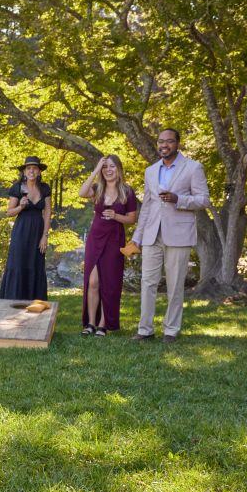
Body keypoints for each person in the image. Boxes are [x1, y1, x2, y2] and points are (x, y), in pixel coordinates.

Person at [131, 128, 209, 343]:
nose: (164, 145)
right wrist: (137, 236)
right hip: (151, 234)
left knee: (175, 285)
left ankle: (171, 330)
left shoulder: (193, 168)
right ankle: (145, 330)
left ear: (178, 144)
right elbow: (147, 206)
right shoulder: (150, 170)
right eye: (161, 141)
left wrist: (179, 199)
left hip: (179, 234)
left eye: (169, 141)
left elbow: (203, 200)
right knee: (147, 282)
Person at [77, 154, 138, 335]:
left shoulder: (127, 191)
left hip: (114, 239)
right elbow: (81, 193)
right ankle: (90, 323)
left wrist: (116, 216)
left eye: (112, 166)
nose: (108, 170)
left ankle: (103, 324)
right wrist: (96, 169)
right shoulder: (97, 189)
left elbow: (132, 219)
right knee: (93, 281)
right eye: (105, 167)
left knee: (109, 283)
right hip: (95, 238)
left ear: (118, 169)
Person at [0, 156, 52, 301]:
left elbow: (47, 212)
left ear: (39, 171)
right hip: (21, 230)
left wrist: (44, 236)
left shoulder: (45, 188)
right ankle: (12, 301)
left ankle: (34, 301)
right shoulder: (18, 187)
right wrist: (20, 206)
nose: (32, 171)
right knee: (18, 263)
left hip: (38, 231)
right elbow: (9, 213)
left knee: (36, 264)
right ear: (24, 171)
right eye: (28, 168)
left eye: (34, 168)